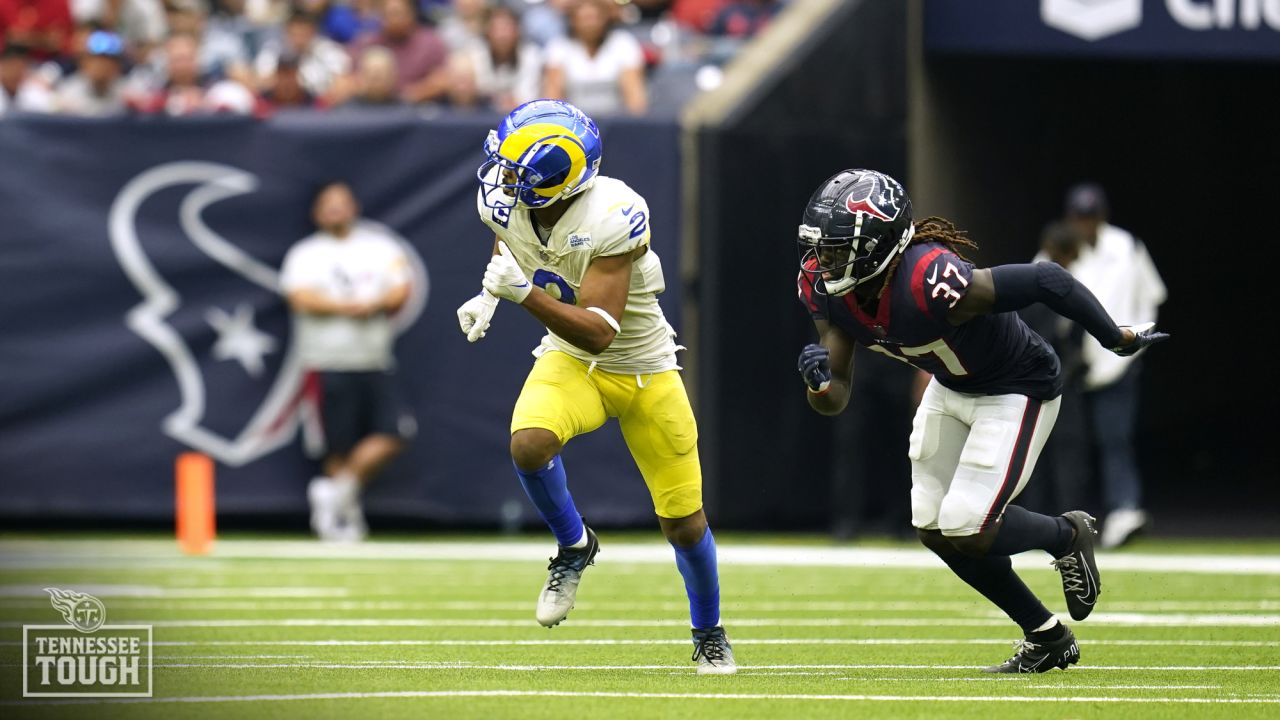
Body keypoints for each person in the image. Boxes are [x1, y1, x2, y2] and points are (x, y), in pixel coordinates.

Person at [793, 169, 1168, 673]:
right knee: (931, 526)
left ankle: (1067, 535)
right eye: (823, 248)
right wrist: (818, 384)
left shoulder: (931, 279)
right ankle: (1046, 635)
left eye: (839, 249)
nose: (824, 261)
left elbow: (1045, 280)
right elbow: (835, 397)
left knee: (967, 525)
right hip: (953, 385)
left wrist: (1112, 336)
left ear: (879, 245)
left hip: (1018, 384)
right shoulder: (828, 291)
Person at [456, 99, 734, 674]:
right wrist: (490, 294)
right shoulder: (509, 204)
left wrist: (522, 294)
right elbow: (513, 240)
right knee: (529, 442)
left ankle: (709, 632)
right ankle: (574, 544)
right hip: (569, 362)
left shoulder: (614, 213)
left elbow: (601, 333)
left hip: (643, 367)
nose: (502, 182)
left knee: (684, 522)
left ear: (558, 180)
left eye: (517, 174)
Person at [281, 182, 415, 542]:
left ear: (354, 207)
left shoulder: (379, 246)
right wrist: (347, 307)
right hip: (326, 360)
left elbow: (401, 287)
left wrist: (373, 304)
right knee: (336, 445)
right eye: (328, 204)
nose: (336, 210)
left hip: (374, 358)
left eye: (342, 203)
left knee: (395, 432)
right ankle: (340, 517)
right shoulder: (305, 253)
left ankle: (335, 493)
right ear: (317, 212)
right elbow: (299, 297)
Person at [1062, 183, 1167, 549]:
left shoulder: (1125, 246)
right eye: (1080, 217)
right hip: (1069, 368)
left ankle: (1123, 510)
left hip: (1118, 362)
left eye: (1091, 218)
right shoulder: (1060, 249)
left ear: (1102, 217)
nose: (1086, 225)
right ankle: (1064, 519)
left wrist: (1137, 344)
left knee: (1114, 438)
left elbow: (1151, 298)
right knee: (1066, 445)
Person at [542, 0, 646, 116]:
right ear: (573, 19)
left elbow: (635, 100)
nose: (590, 23)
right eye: (585, 18)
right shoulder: (559, 47)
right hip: (573, 127)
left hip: (616, 124)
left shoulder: (623, 43)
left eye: (595, 17)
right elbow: (552, 100)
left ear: (605, 17)